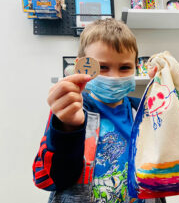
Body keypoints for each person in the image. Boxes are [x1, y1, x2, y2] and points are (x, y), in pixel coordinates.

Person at [32, 18, 163, 203]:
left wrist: (167, 95)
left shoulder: (142, 111)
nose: (114, 77)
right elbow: (45, 180)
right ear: (81, 66)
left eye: (125, 67)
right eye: (102, 67)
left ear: (136, 67)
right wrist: (67, 128)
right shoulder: (72, 111)